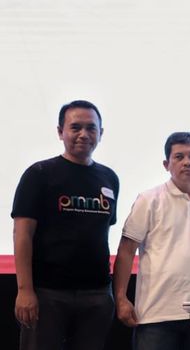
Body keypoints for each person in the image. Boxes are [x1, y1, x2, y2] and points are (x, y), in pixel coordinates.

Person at [12, 100, 119, 350]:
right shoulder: (39, 174)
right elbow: (22, 234)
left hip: (97, 294)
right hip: (47, 293)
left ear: (101, 134)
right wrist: (25, 290)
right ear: (61, 132)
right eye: (75, 127)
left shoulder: (109, 178)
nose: (84, 134)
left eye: (91, 128)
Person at [113, 132, 190, 350]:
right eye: (179, 157)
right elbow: (126, 250)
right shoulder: (149, 199)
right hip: (156, 314)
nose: (187, 162)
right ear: (167, 164)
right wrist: (120, 298)